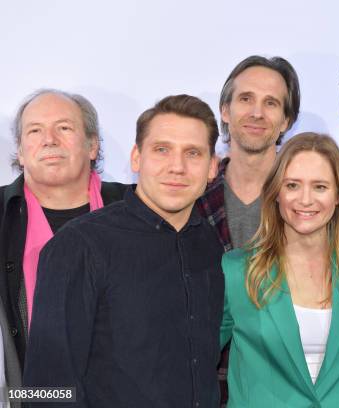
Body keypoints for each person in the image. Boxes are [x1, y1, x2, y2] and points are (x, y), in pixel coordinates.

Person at [23, 95, 224, 407]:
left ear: (212, 166)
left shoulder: (208, 244)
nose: (177, 167)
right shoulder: (78, 246)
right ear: (136, 158)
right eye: (162, 150)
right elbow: (45, 390)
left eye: (193, 153)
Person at [220, 132, 339, 407]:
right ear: (276, 192)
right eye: (292, 185)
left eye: (320, 187)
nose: (305, 200)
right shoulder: (236, 271)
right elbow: (190, 363)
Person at [0, 89, 126, 366]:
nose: (49, 140)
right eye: (35, 131)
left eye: (64, 128)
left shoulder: (137, 208)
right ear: (20, 152)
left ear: (92, 145)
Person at [201, 55, 300, 251]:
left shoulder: (307, 196)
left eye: (270, 103)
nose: (257, 113)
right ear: (225, 111)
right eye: (246, 99)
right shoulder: (195, 192)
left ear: (285, 121)